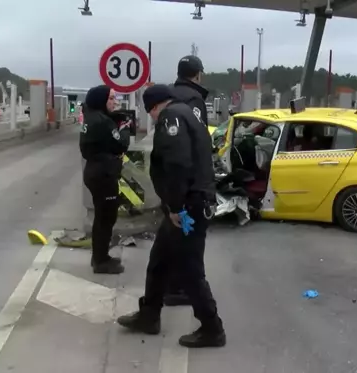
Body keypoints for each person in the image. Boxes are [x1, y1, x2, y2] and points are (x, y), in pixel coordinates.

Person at [117, 84, 225, 348]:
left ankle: (212, 328)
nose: (152, 119)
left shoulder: (172, 118)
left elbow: (177, 164)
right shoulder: (189, 113)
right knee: (160, 262)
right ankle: (149, 314)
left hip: (187, 207)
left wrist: (176, 207)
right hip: (186, 204)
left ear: (154, 107)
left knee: (190, 270)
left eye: (150, 113)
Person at [164, 54, 210, 306]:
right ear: (197, 74)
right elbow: (196, 142)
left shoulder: (170, 95)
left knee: (174, 238)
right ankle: (182, 289)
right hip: (190, 182)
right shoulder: (194, 100)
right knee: (191, 242)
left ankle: (171, 286)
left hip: (171, 182)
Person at [79, 85, 130, 274]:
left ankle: (100, 256)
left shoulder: (92, 117)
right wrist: (124, 127)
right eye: (111, 98)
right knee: (105, 218)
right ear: (101, 100)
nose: (115, 102)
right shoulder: (101, 122)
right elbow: (120, 144)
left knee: (104, 217)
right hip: (103, 175)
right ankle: (100, 261)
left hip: (97, 172)